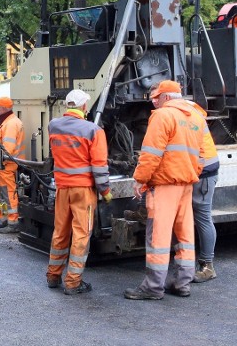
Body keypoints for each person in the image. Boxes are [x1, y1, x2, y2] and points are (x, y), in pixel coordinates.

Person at [124, 80, 205, 300]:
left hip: (165, 185)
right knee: (185, 235)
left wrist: (140, 180)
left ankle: (153, 287)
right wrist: (190, 172)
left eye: (156, 98)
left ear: (167, 97)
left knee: (158, 237)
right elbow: (203, 155)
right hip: (186, 184)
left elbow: (151, 154)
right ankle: (182, 283)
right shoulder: (197, 117)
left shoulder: (162, 116)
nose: (154, 103)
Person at [45, 89, 110, 295]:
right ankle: (73, 282)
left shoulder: (53, 126)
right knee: (81, 234)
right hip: (83, 190)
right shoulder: (93, 130)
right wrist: (106, 191)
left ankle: (53, 275)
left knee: (60, 231)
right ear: (84, 107)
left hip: (62, 187)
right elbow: (99, 166)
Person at [187, 100, 219, 283]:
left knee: (203, 217)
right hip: (200, 171)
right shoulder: (191, 112)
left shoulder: (185, 116)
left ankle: (207, 266)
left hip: (203, 173)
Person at [0, 96, 25, 234]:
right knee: (2, 193)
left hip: (6, 165)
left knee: (8, 194)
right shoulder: (10, 122)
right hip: (5, 165)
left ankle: (12, 222)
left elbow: (7, 149)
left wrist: (1, 160)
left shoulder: (10, 124)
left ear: (4, 108)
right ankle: (5, 219)